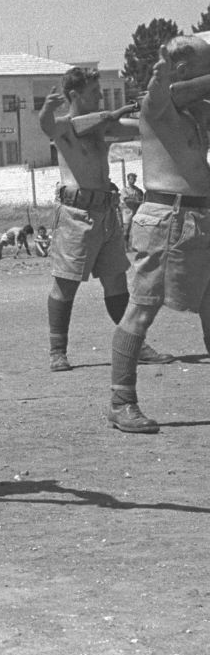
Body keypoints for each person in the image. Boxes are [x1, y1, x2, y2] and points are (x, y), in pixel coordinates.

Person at [106, 37, 210, 433]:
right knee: (141, 311)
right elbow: (162, 93)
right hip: (167, 219)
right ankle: (121, 401)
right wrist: (164, 77)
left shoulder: (193, 113)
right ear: (182, 73)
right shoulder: (159, 104)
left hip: (197, 221)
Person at [39, 68, 174, 373]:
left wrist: (159, 108)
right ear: (74, 95)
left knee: (116, 282)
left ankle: (134, 344)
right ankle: (57, 351)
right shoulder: (67, 128)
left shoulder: (101, 128)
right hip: (76, 215)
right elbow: (48, 126)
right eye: (94, 92)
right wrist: (47, 108)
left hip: (106, 213)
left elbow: (140, 127)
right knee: (66, 284)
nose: (100, 96)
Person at [121, 172, 145, 245]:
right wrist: (137, 201)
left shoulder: (138, 190)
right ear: (128, 180)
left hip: (136, 211)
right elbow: (127, 200)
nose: (133, 180)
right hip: (127, 211)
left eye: (134, 179)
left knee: (137, 228)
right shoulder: (125, 190)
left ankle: (135, 245)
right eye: (131, 179)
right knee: (127, 228)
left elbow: (142, 198)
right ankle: (125, 245)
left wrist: (137, 200)